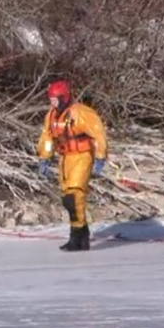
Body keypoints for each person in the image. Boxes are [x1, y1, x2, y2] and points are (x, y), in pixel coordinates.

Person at [36, 79, 108, 252]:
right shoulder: (52, 115)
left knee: (74, 195)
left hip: (82, 157)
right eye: (51, 99)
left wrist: (100, 156)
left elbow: (98, 134)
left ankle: (77, 236)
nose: (52, 102)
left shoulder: (80, 113)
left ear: (64, 97)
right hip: (65, 159)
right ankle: (81, 235)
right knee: (68, 198)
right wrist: (44, 157)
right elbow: (47, 137)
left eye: (55, 99)